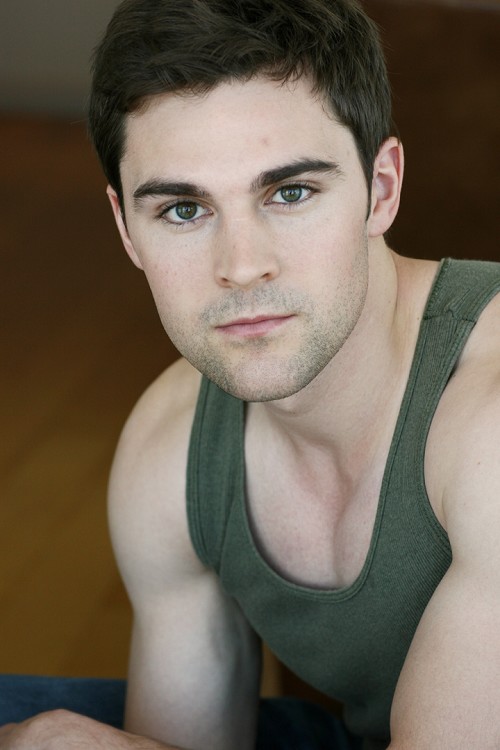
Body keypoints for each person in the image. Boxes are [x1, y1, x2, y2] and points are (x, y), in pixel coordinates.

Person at [1, 0, 500, 748]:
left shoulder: (489, 416)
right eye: (182, 210)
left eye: (290, 193)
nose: (241, 266)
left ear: (382, 187)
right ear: (126, 229)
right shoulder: (171, 449)